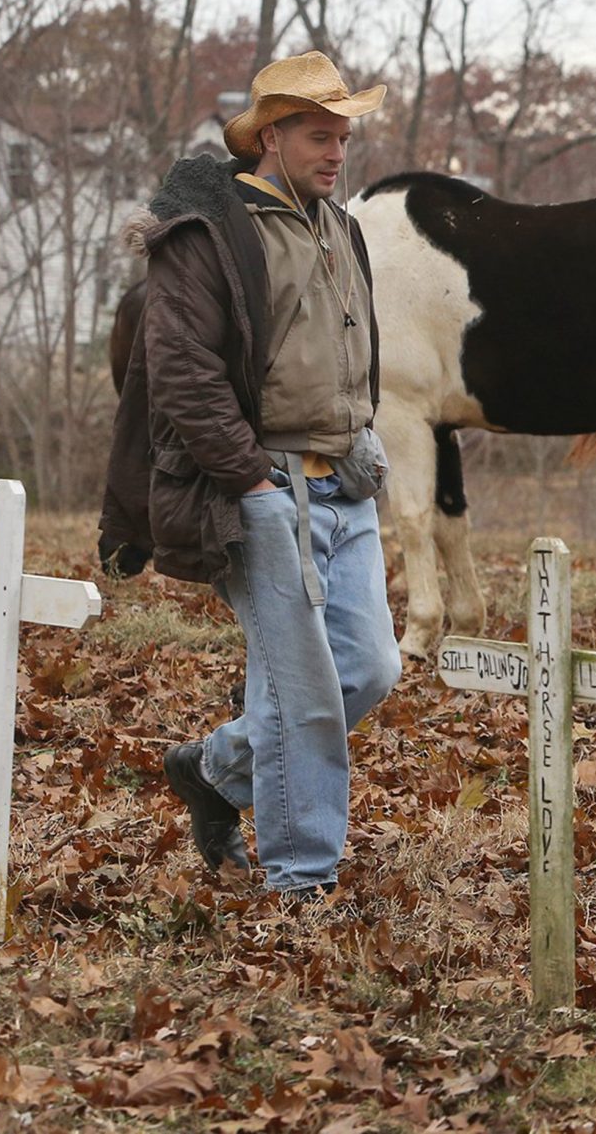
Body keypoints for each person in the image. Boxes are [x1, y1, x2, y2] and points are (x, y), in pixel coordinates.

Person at [99, 51, 401, 903]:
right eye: (318, 134)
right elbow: (183, 369)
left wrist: (366, 437)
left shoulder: (338, 226)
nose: (337, 151)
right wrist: (251, 484)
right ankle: (302, 883)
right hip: (264, 490)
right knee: (304, 700)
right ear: (270, 135)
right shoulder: (213, 236)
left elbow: (351, 354)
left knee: (373, 667)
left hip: (346, 482)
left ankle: (213, 767)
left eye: (343, 135)